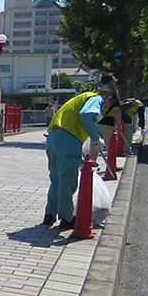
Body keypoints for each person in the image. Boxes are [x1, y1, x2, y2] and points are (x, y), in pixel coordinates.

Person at [44, 85, 116, 228]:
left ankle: (50, 215)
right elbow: (86, 115)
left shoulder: (79, 98)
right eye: (106, 105)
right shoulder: (95, 98)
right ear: (108, 98)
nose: (103, 109)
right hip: (68, 140)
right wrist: (96, 137)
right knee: (67, 180)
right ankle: (67, 217)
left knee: (56, 179)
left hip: (53, 138)